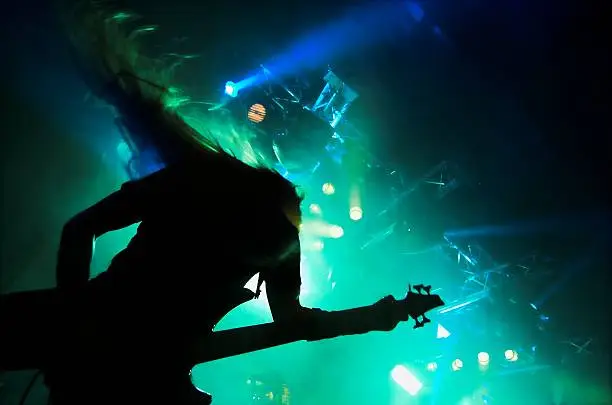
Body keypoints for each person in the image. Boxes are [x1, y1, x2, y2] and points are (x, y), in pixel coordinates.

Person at [0, 5, 407, 405]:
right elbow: (292, 323)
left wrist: (74, 319)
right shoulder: (279, 227)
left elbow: (79, 228)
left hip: (105, 325)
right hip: (142, 366)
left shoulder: (200, 179)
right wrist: (367, 319)